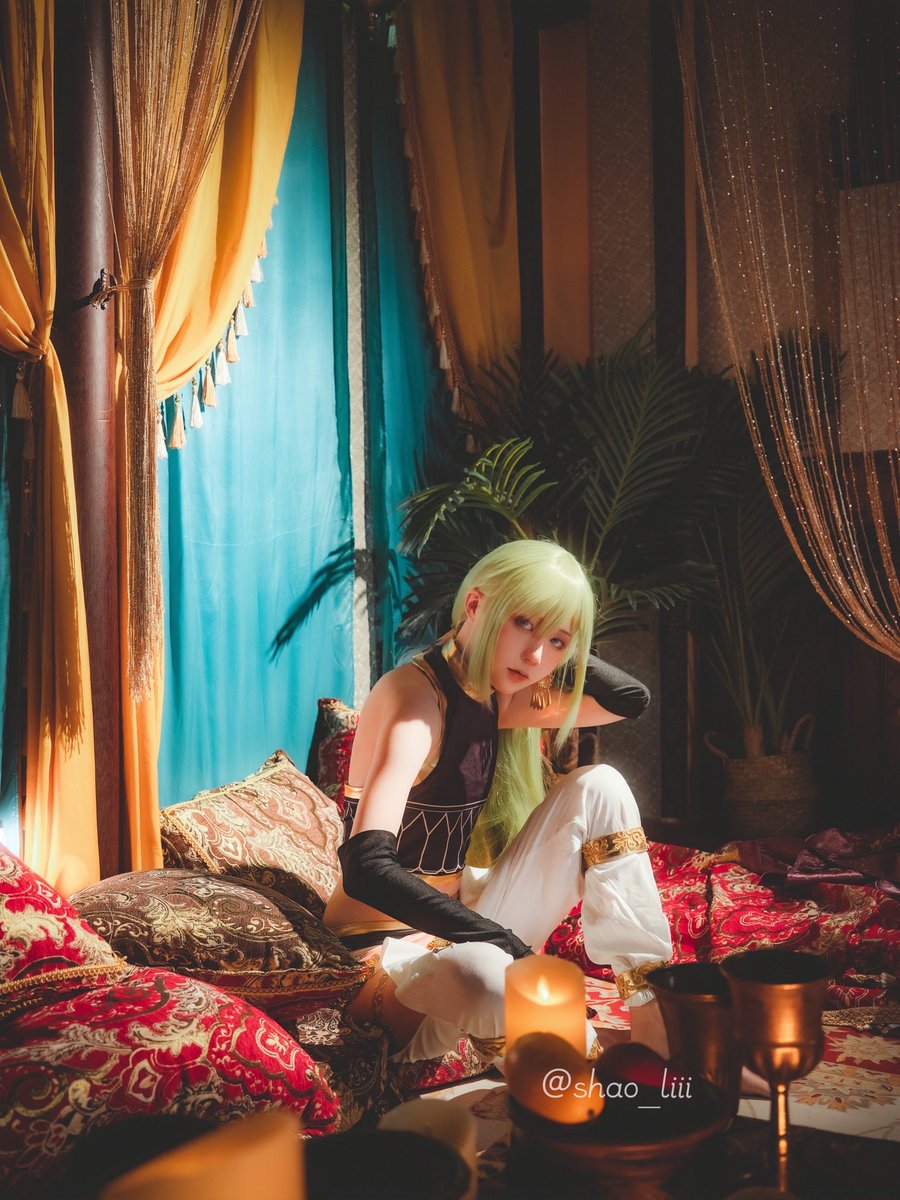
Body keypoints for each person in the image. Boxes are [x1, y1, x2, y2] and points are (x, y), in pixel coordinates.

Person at [323, 539, 673, 1064]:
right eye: (522, 622)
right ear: (475, 604)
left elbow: (629, 699)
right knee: (481, 972)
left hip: (462, 926)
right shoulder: (415, 699)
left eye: (555, 641)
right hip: (380, 960)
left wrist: (562, 630)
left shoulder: (495, 698)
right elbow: (366, 866)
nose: (535, 657)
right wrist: (499, 940)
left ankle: (651, 1027)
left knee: (601, 785)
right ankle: (587, 1059)